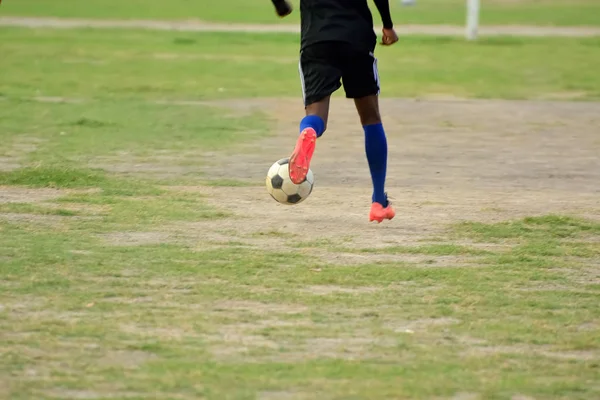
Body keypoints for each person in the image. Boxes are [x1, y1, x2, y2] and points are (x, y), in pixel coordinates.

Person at [271, 0, 399, 223]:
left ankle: (309, 130)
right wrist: (387, 25)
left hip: (317, 39)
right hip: (356, 37)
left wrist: (280, 5)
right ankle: (379, 201)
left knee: (316, 114)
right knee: (371, 118)